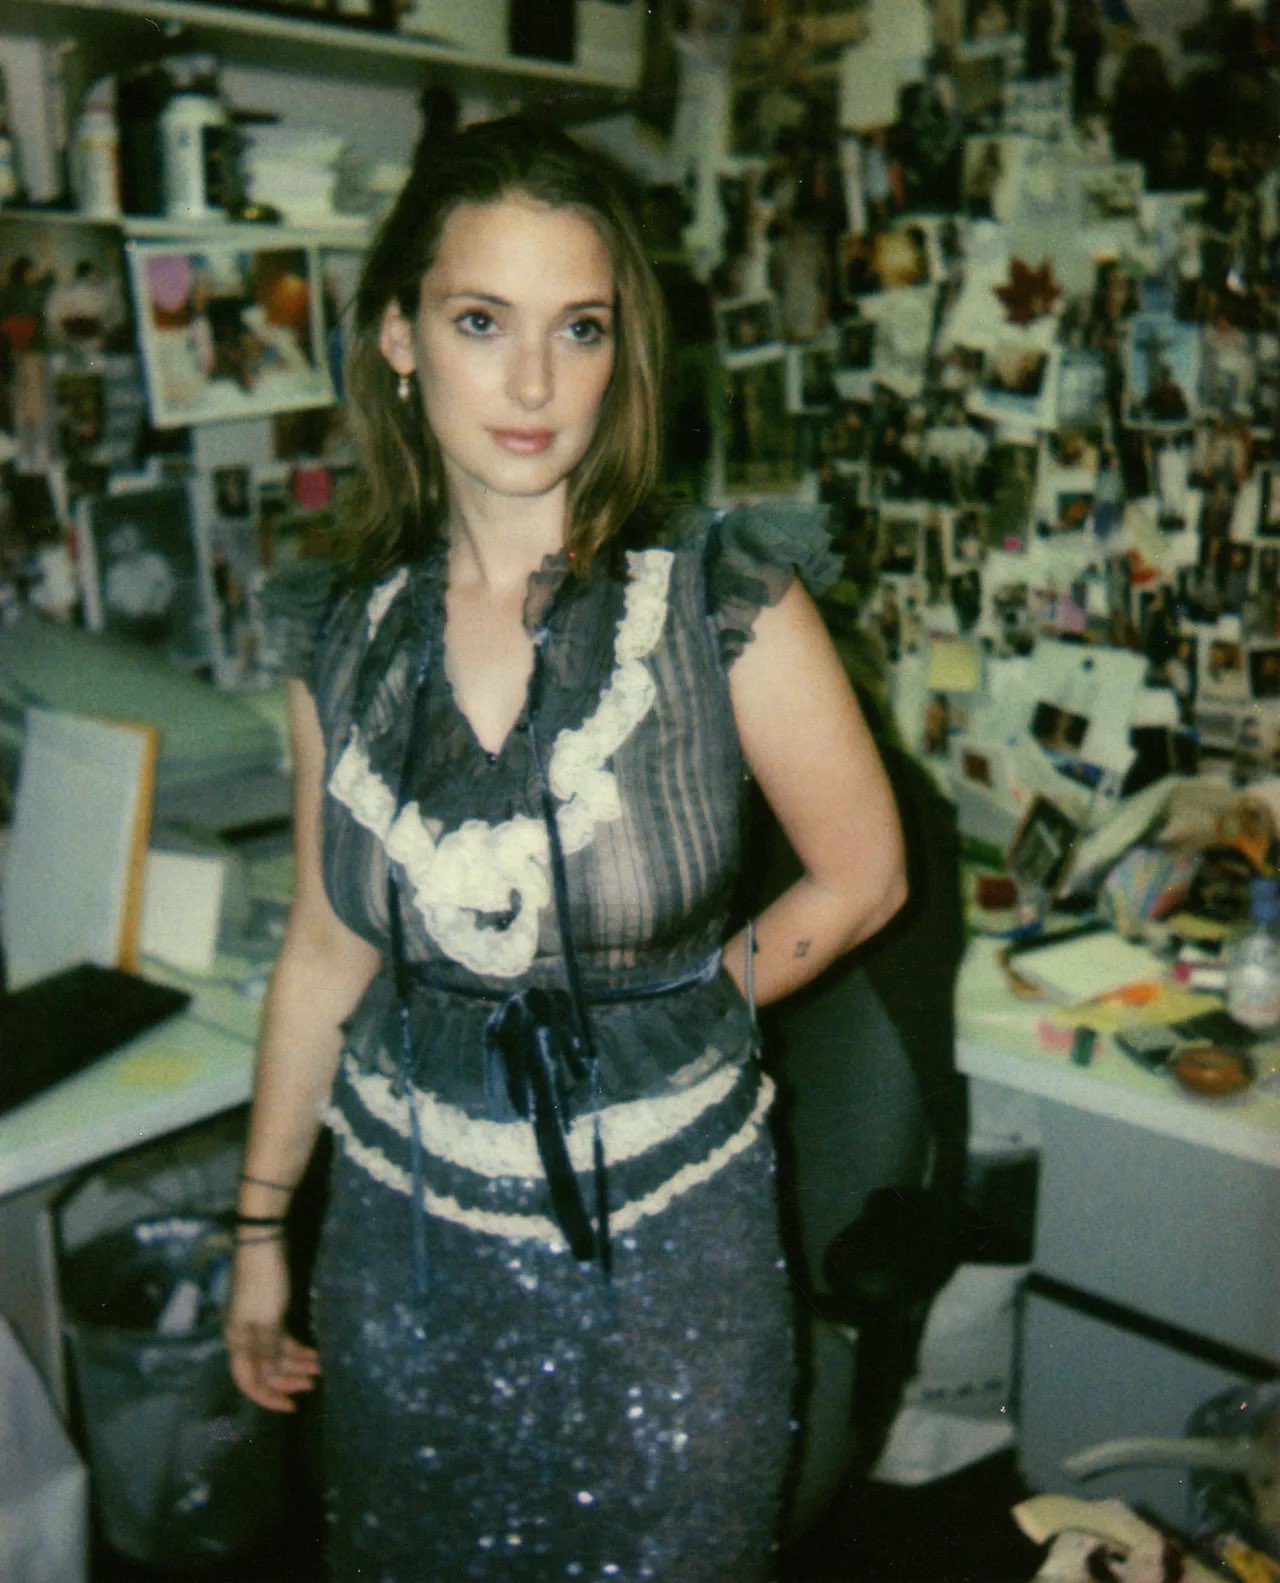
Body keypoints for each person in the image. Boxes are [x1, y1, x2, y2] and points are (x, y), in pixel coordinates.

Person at [224, 115, 907, 1583]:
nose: (534, 382)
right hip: (400, 1250)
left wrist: (681, 1007)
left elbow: (864, 879)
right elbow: (325, 945)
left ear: (620, 352)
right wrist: (259, 1228)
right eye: (483, 321)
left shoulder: (720, 595)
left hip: (667, 1261)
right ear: (400, 337)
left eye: (579, 328)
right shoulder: (341, 638)